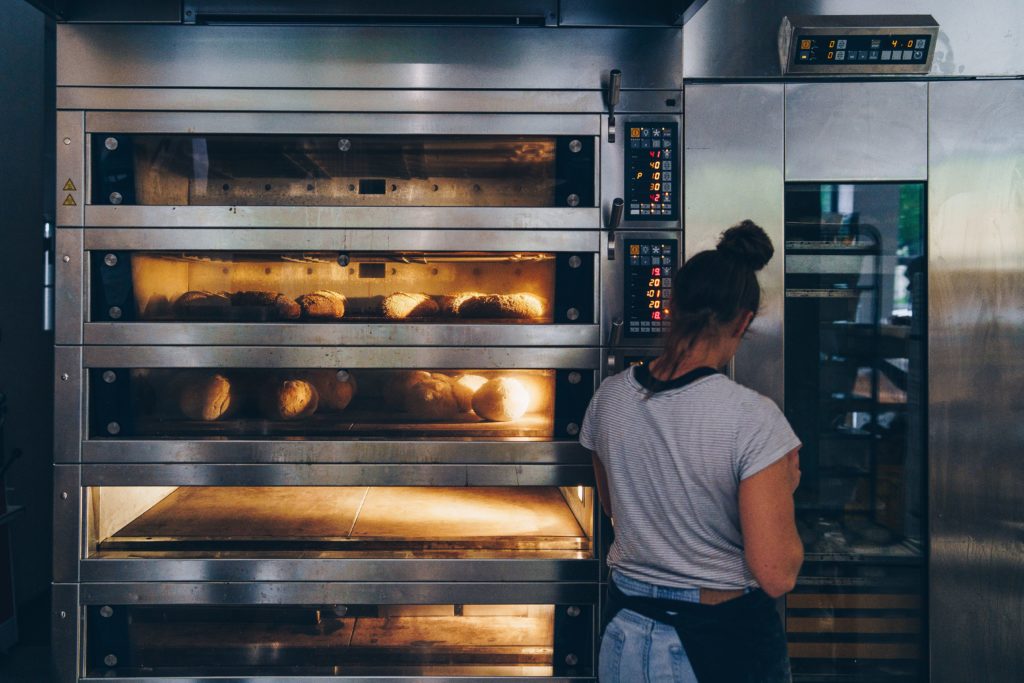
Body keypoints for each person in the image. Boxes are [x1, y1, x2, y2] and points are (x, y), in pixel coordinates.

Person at [580, 220, 803, 683]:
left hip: (625, 633)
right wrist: (785, 487)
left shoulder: (610, 399)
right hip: (720, 644)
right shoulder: (753, 418)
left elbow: (613, 505)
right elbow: (776, 573)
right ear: (744, 322)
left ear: (669, 306)